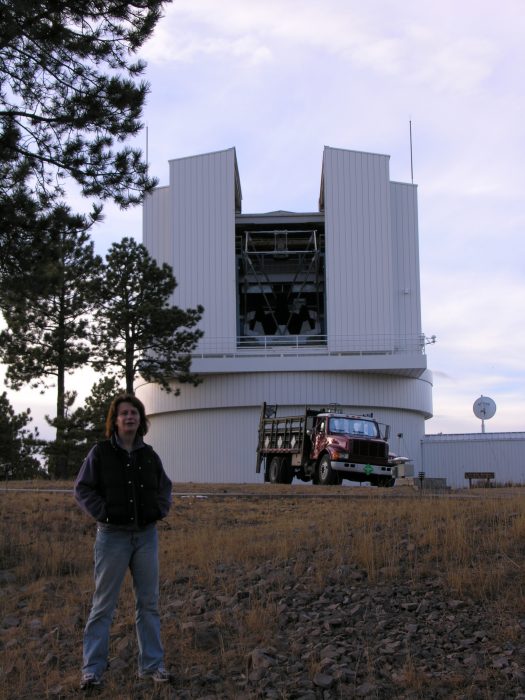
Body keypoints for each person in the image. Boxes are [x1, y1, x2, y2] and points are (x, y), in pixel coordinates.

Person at [74, 393, 173, 690]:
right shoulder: (101, 453)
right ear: (114, 421)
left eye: (135, 413)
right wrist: (103, 513)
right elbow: (82, 488)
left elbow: (164, 488)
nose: (130, 417)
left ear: (142, 420)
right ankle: (92, 670)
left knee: (148, 603)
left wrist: (159, 510)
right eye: (124, 413)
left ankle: (152, 666)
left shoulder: (149, 455)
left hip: (145, 536)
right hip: (112, 537)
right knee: (103, 605)